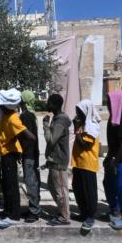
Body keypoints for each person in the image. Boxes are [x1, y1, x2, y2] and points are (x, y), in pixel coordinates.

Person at [0, 89, 34, 229]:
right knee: (6, 185)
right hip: (5, 155)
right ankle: (8, 211)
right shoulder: (4, 114)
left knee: (12, 186)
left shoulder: (13, 118)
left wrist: (17, 141)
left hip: (10, 155)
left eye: (2, 104)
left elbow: (30, 136)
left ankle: (14, 216)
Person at [102, 89, 122, 230]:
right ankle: (114, 209)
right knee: (108, 183)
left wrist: (115, 160)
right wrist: (109, 157)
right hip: (114, 156)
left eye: (110, 101)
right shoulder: (113, 117)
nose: (107, 104)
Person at [71, 99, 102, 233]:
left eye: (79, 111)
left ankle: (90, 216)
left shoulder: (91, 126)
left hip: (88, 164)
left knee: (89, 190)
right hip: (78, 162)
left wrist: (77, 130)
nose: (77, 113)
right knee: (78, 188)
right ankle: (83, 212)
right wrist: (76, 127)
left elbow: (85, 144)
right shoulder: (82, 124)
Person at [42, 93, 72, 226]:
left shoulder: (59, 122)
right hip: (54, 159)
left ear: (54, 104)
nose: (47, 104)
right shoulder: (57, 118)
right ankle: (61, 211)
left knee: (61, 189)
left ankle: (65, 216)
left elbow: (51, 140)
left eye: (49, 102)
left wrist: (45, 126)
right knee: (52, 187)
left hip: (59, 161)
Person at [19, 90, 42, 222]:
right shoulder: (31, 115)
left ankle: (34, 211)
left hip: (29, 154)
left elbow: (27, 138)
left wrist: (22, 152)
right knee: (33, 181)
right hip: (32, 153)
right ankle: (33, 207)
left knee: (31, 182)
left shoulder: (26, 116)